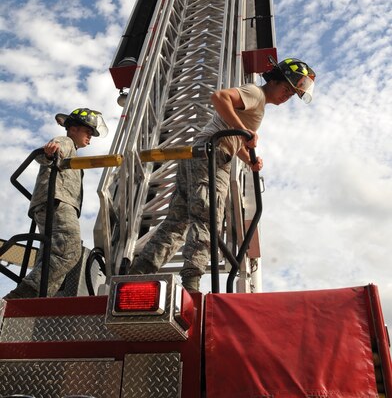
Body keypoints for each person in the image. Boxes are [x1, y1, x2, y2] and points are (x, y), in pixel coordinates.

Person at [129, 57, 316, 292]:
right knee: (208, 217)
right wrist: (244, 130)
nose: (286, 96)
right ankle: (192, 280)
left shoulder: (257, 103)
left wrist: (250, 160)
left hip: (199, 153)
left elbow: (233, 137)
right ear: (275, 80)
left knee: (177, 222)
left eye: (292, 95)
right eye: (286, 89)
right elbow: (220, 98)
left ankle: (138, 272)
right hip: (213, 157)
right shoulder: (255, 94)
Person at [4, 107, 108, 300]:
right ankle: (22, 297)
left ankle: (35, 303)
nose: (90, 137)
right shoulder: (66, 142)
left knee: (48, 260)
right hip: (57, 202)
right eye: (88, 132)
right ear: (73, 129)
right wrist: (50, 155)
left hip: (52, 203)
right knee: (70, 250)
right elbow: (46, 152)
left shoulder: (73, 152)